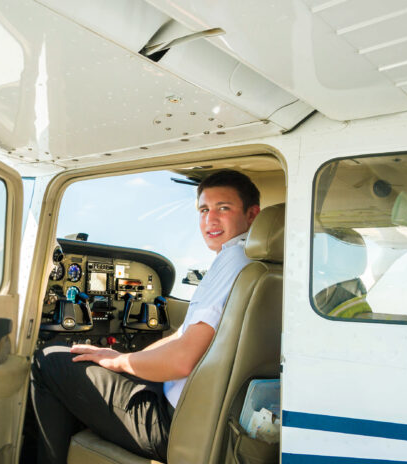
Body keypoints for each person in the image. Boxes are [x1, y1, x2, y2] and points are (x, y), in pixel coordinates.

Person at [30, 169, 260, 463]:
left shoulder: (234, 260)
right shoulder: (250, 263)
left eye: (223, 208)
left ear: (252, 215)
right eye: (204, 209)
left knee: (47, 359)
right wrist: (120, 361)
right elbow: (180, 337)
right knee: (92, 362)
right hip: (197, 408)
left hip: (172, 422)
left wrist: (118, 360)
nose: (210, 220)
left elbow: (182, 359)